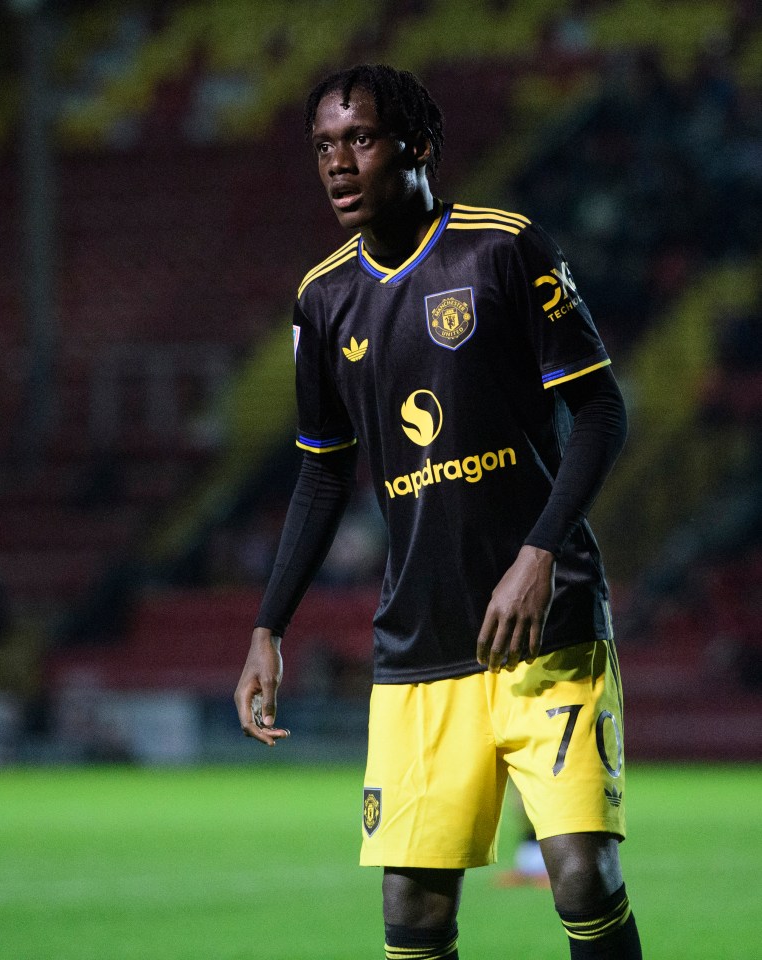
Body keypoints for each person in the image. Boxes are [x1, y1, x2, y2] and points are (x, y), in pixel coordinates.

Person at [234, 64, 642, 960]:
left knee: (581, 874)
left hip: (549, 627)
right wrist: (269, 626)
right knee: (413, 918)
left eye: (362, 139)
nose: (339, 165)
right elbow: (319, 475)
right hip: (419, 645)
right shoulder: (323, 298)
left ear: (417, 146)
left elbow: (602, 410)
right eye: (324, 147)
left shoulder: (503, 249)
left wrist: (539, 552)